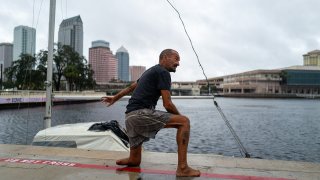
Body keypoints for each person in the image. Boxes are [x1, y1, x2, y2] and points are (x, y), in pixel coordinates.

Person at [101, 49, 200, 177]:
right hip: (140, 114)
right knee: (184, 122)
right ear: (164, 57)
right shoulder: (163, 72)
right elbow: (167, 104)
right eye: (176, 58)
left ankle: (132, 158)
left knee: (135, 161)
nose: (178, 63)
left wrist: (115, 98)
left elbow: (131, 87)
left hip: (130, 117)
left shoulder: (150, 71)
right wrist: (181, 118)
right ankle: (183, 168)